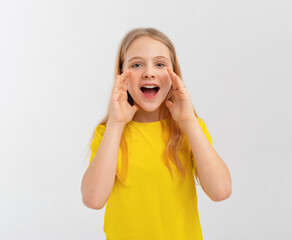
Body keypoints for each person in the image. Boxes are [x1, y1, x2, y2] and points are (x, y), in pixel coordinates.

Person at [81, 27, 232, 240]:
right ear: (121, 75)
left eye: (160, 64)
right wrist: (116, 123)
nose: (149, 72)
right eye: (136, 64)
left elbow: (221, 191)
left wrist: (188, 121)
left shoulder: (189, 129)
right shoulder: (109, 133)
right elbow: (93, 199)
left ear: (174, 75)